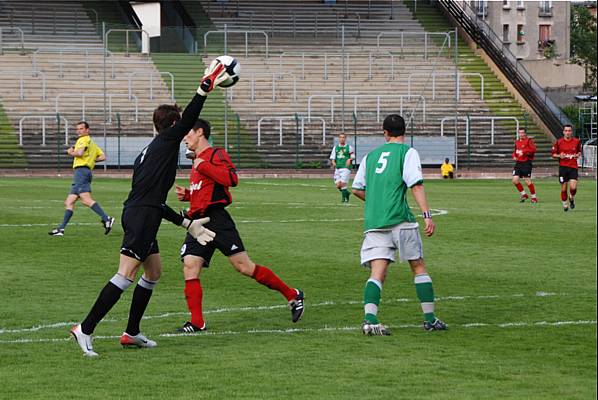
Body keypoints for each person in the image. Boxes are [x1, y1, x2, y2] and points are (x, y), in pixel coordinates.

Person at [69, 62, 226, 357]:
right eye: (181, 125)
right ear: (172, 126)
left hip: (144, 213)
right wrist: (204, 88)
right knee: (125, 275)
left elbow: (153, 199)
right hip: (142, 217)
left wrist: (185, 223)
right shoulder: (166, 141)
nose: (186, 130)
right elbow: (190, 116)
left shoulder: (153, 148)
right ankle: (85, 328)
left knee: (153, 272)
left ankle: (132, 332)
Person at [174, 119, 304, 333]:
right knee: (190, 266)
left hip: (217, 220)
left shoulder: (215, 154)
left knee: (244, 267)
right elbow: (206, 191)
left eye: (188, 132)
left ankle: (292, 295)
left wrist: (203, 165)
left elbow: (231, 179)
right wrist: (188, 195)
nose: (184, 137)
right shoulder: (196, 161)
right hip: (197, 222)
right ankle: (197, 322)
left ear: (200, 133)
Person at [351, 114, 447, 336]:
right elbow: (416, 185)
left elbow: (356, 188)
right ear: (404, 132)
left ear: (385, 133)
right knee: (418, 266)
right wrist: (427, 215)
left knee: (378, 271)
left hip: (375, 222)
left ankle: (370, 319)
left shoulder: (371, 156)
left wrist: (376, 201)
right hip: (400, 220)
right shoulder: (408, 152)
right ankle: (430, 319)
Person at [48, 122, 114, 236]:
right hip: (83, 172)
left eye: (81, 129)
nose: (79, 131)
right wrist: (91, 160)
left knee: (85, 199)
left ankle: (106, 218)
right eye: (77, 129)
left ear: (87, 130)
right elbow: (103, 157)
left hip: (81, 172)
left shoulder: (83, 140)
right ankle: (61, 229)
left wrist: (71, 152)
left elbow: (79, 153)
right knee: (69, 201)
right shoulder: (91, 143)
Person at [551, 124, 581, 212]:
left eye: (569, 131)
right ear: (563, 132)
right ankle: (565, 205)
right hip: (563, 168)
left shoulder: (576, 141)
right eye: (566, 131)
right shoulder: (559, 142)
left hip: (573, 167)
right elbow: (553, 154)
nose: (568, 132)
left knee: (573, 187)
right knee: (564, 188)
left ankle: (571, 197)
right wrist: (560, 155)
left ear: (571, 132)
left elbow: (579, 152)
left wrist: (577, 155)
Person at [511, 128, 538, 203]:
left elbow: (534, 150)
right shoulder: (517, 142)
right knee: (515, 180)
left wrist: (525, 151)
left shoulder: (529, 141)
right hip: (518, 163)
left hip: (526, 163)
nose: (521, 134)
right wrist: (514, 156)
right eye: (520, 133)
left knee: (527, 181)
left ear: (525, 133)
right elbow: (515, 152)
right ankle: (524, 194)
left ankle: (534, 197)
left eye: (523, 133)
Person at [329, 132, 355, 203]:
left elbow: (353, 156)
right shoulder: (336, 148)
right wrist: (334, 163)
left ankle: (344, 199)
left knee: (343, 183)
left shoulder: (349, 147)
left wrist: (349, 159)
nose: (342, 139)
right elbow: (333, 158)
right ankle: (346, 193)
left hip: (346, 168)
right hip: (338, 168)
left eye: (343, 137)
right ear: (338, 139)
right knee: (338, 185)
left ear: (345, 139)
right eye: (340, 137)